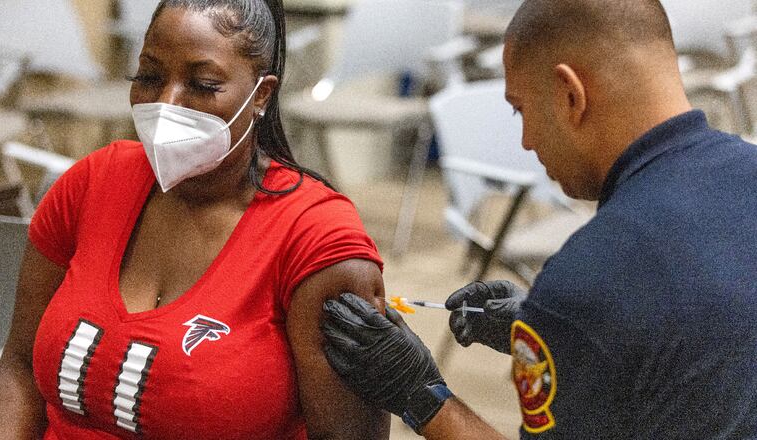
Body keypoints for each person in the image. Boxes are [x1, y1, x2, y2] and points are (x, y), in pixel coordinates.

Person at [320, 0, 757, 438]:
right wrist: (561, 334)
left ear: (570, 94)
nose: (527, 141)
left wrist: (420, 395)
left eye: (521, 110)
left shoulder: (594, 275)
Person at [0, 1, 390, 439]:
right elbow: (19, 368)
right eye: (149, 77)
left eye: (203, 84)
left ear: (261, 95)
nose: (166, 103)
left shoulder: (316, 240)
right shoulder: (92, 185)